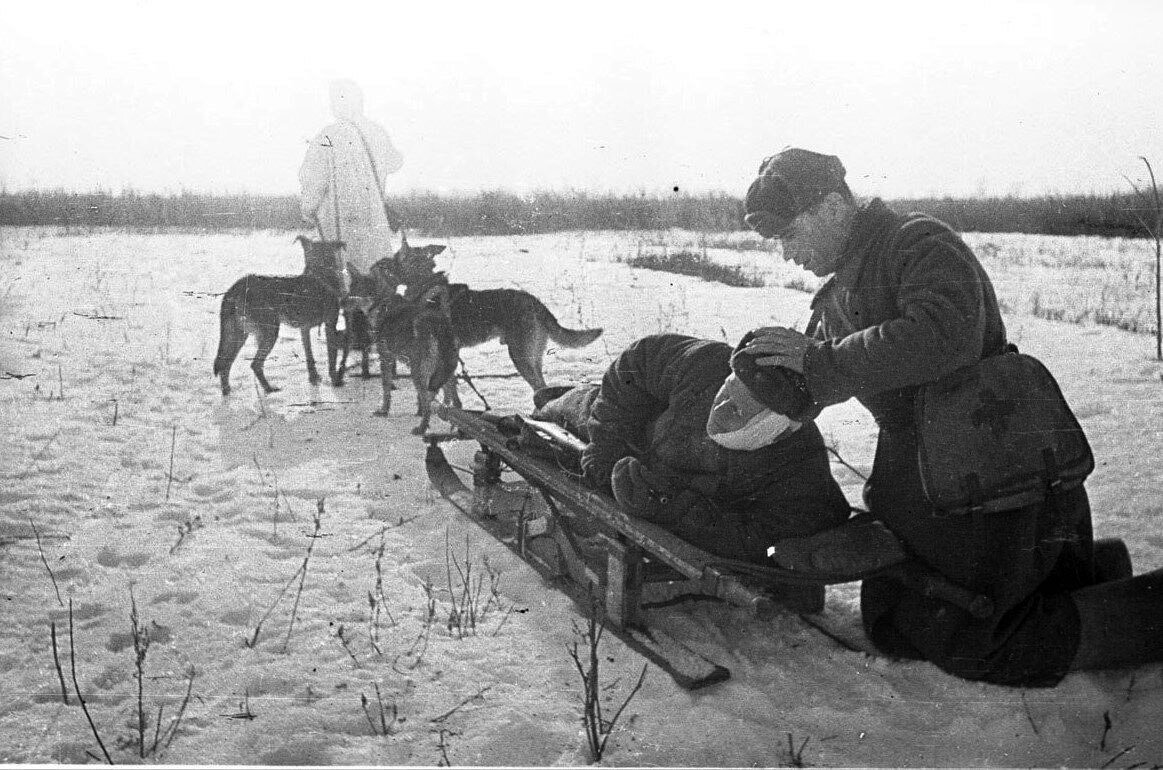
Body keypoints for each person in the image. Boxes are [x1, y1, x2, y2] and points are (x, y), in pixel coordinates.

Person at [738, 147, 1161, 686]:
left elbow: (945, 334)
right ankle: (1089, 578)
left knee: (981, 641)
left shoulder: (916, 243)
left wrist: (822, 362)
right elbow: (826, 370)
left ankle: (1147, 611)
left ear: (829, 206)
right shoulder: (842, 286)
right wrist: (771, 381)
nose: (786, 254)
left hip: (993, 471)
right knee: (893, 617)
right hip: (930, 481)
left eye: (790, 233)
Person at [531, 333, 853, 611]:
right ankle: (553, 398)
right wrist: (605, 452)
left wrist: (672, 510)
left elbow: (754, 538)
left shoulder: (799, 467)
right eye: (729, 391)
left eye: (741, 410)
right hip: (639, 428)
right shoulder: (708, 363)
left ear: (780, 430)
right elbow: (633, 364)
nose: (721, 409)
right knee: (560, 411)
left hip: (676, 484)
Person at [299, 79, 404, 275]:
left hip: (340, 224)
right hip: (375, 221)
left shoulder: (327, 137)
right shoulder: (377, 132)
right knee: (376, 277)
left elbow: (315, 181)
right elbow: (396, 162)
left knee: (345, 278)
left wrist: (308, 209)